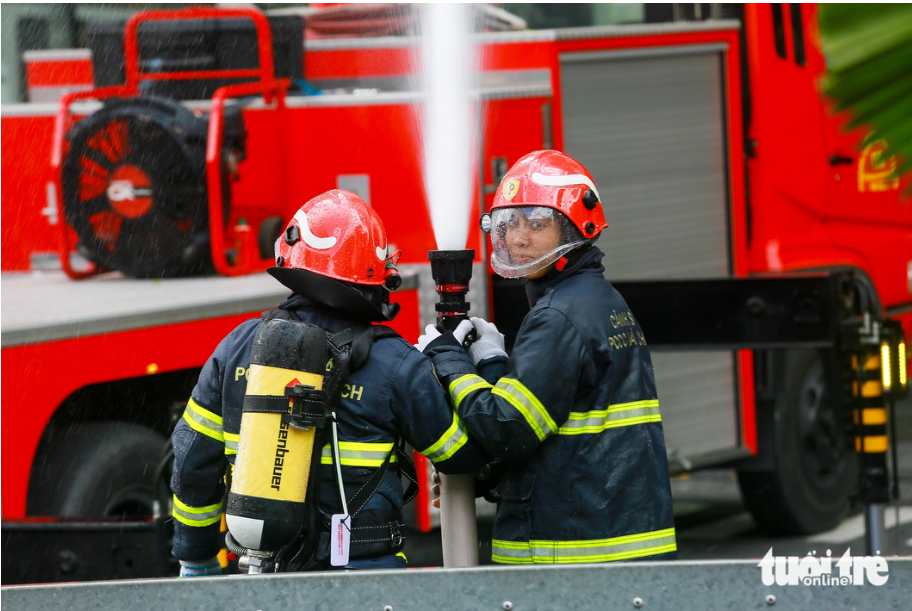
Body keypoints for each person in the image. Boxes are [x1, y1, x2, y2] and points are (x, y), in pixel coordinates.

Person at [171, 189, 490, 576]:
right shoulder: (396, 364)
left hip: (266, 573)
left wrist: (196, 559)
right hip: (365, 574)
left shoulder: (238, 347)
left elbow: (192, 464)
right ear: (377, 274)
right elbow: (463, 455)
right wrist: (462, 361)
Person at [421, 150, 677, 564]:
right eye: (511, 223)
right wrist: (492, 365)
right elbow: (551, 423)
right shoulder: (595, 301)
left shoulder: (559, 315)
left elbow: (508, 428)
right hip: (610, 543)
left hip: (573, 558)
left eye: (538, 224)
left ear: (578, 226)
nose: (519, 238)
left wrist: (448, 360)